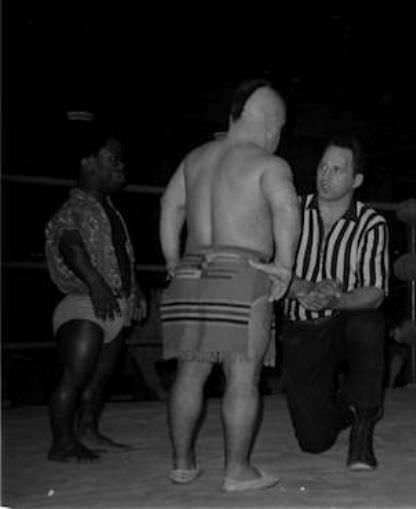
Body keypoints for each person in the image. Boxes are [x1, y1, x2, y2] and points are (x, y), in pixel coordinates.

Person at [159, 79, 299, 491]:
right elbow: (286, 209)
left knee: (191, 373)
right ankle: (237, 470)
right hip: (241, 269)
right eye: (281, 126)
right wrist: (286, 265)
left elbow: (170, 205)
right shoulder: (268, 164)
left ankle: (182, 464)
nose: (279, 135)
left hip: (191, 269)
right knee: (242, 377)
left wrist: (171, 260)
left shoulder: (196, 158)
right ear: (270, 122)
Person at [253, 135, 389, 471]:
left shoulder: (372, 224)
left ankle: (363, 428)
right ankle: (350, 405)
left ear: (356, 180)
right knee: (313, 442)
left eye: (337, 170)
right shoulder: (292, 210)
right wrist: (300, 289)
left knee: (368, 324)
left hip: (344, 322)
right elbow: (264, 266)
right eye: (322, 167)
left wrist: (335, 299)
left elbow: (374, 291)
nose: (325, 176)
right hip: (302, 328)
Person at [45, 125, 147, 462]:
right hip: (84, 305)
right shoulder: (75, 209)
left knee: (98, 381)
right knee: (74, 378)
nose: (120, 167)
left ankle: (87, 430)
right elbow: (71, 247)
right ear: (88, 162)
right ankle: (61, 443)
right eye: (113, 160)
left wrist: (136, 292)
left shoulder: (108, 210)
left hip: (112, 305)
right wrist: (96, 284)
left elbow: (122, 257)